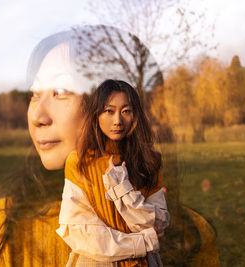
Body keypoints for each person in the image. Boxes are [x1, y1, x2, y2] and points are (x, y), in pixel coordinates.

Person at [0, 26, 167, 266]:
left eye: (61, 91)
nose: (37, 117)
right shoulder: (4, 227)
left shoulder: (185, 231)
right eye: (34, 94)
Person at [57, 79, 170, 266]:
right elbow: (81, 233)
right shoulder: (79, 162)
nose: (117, 121)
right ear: (96, 115)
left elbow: (156, 224)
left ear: (135, 116)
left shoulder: (150, 160)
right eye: (109, 111)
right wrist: (142, 242)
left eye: (126, 111)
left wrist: (122, 187)